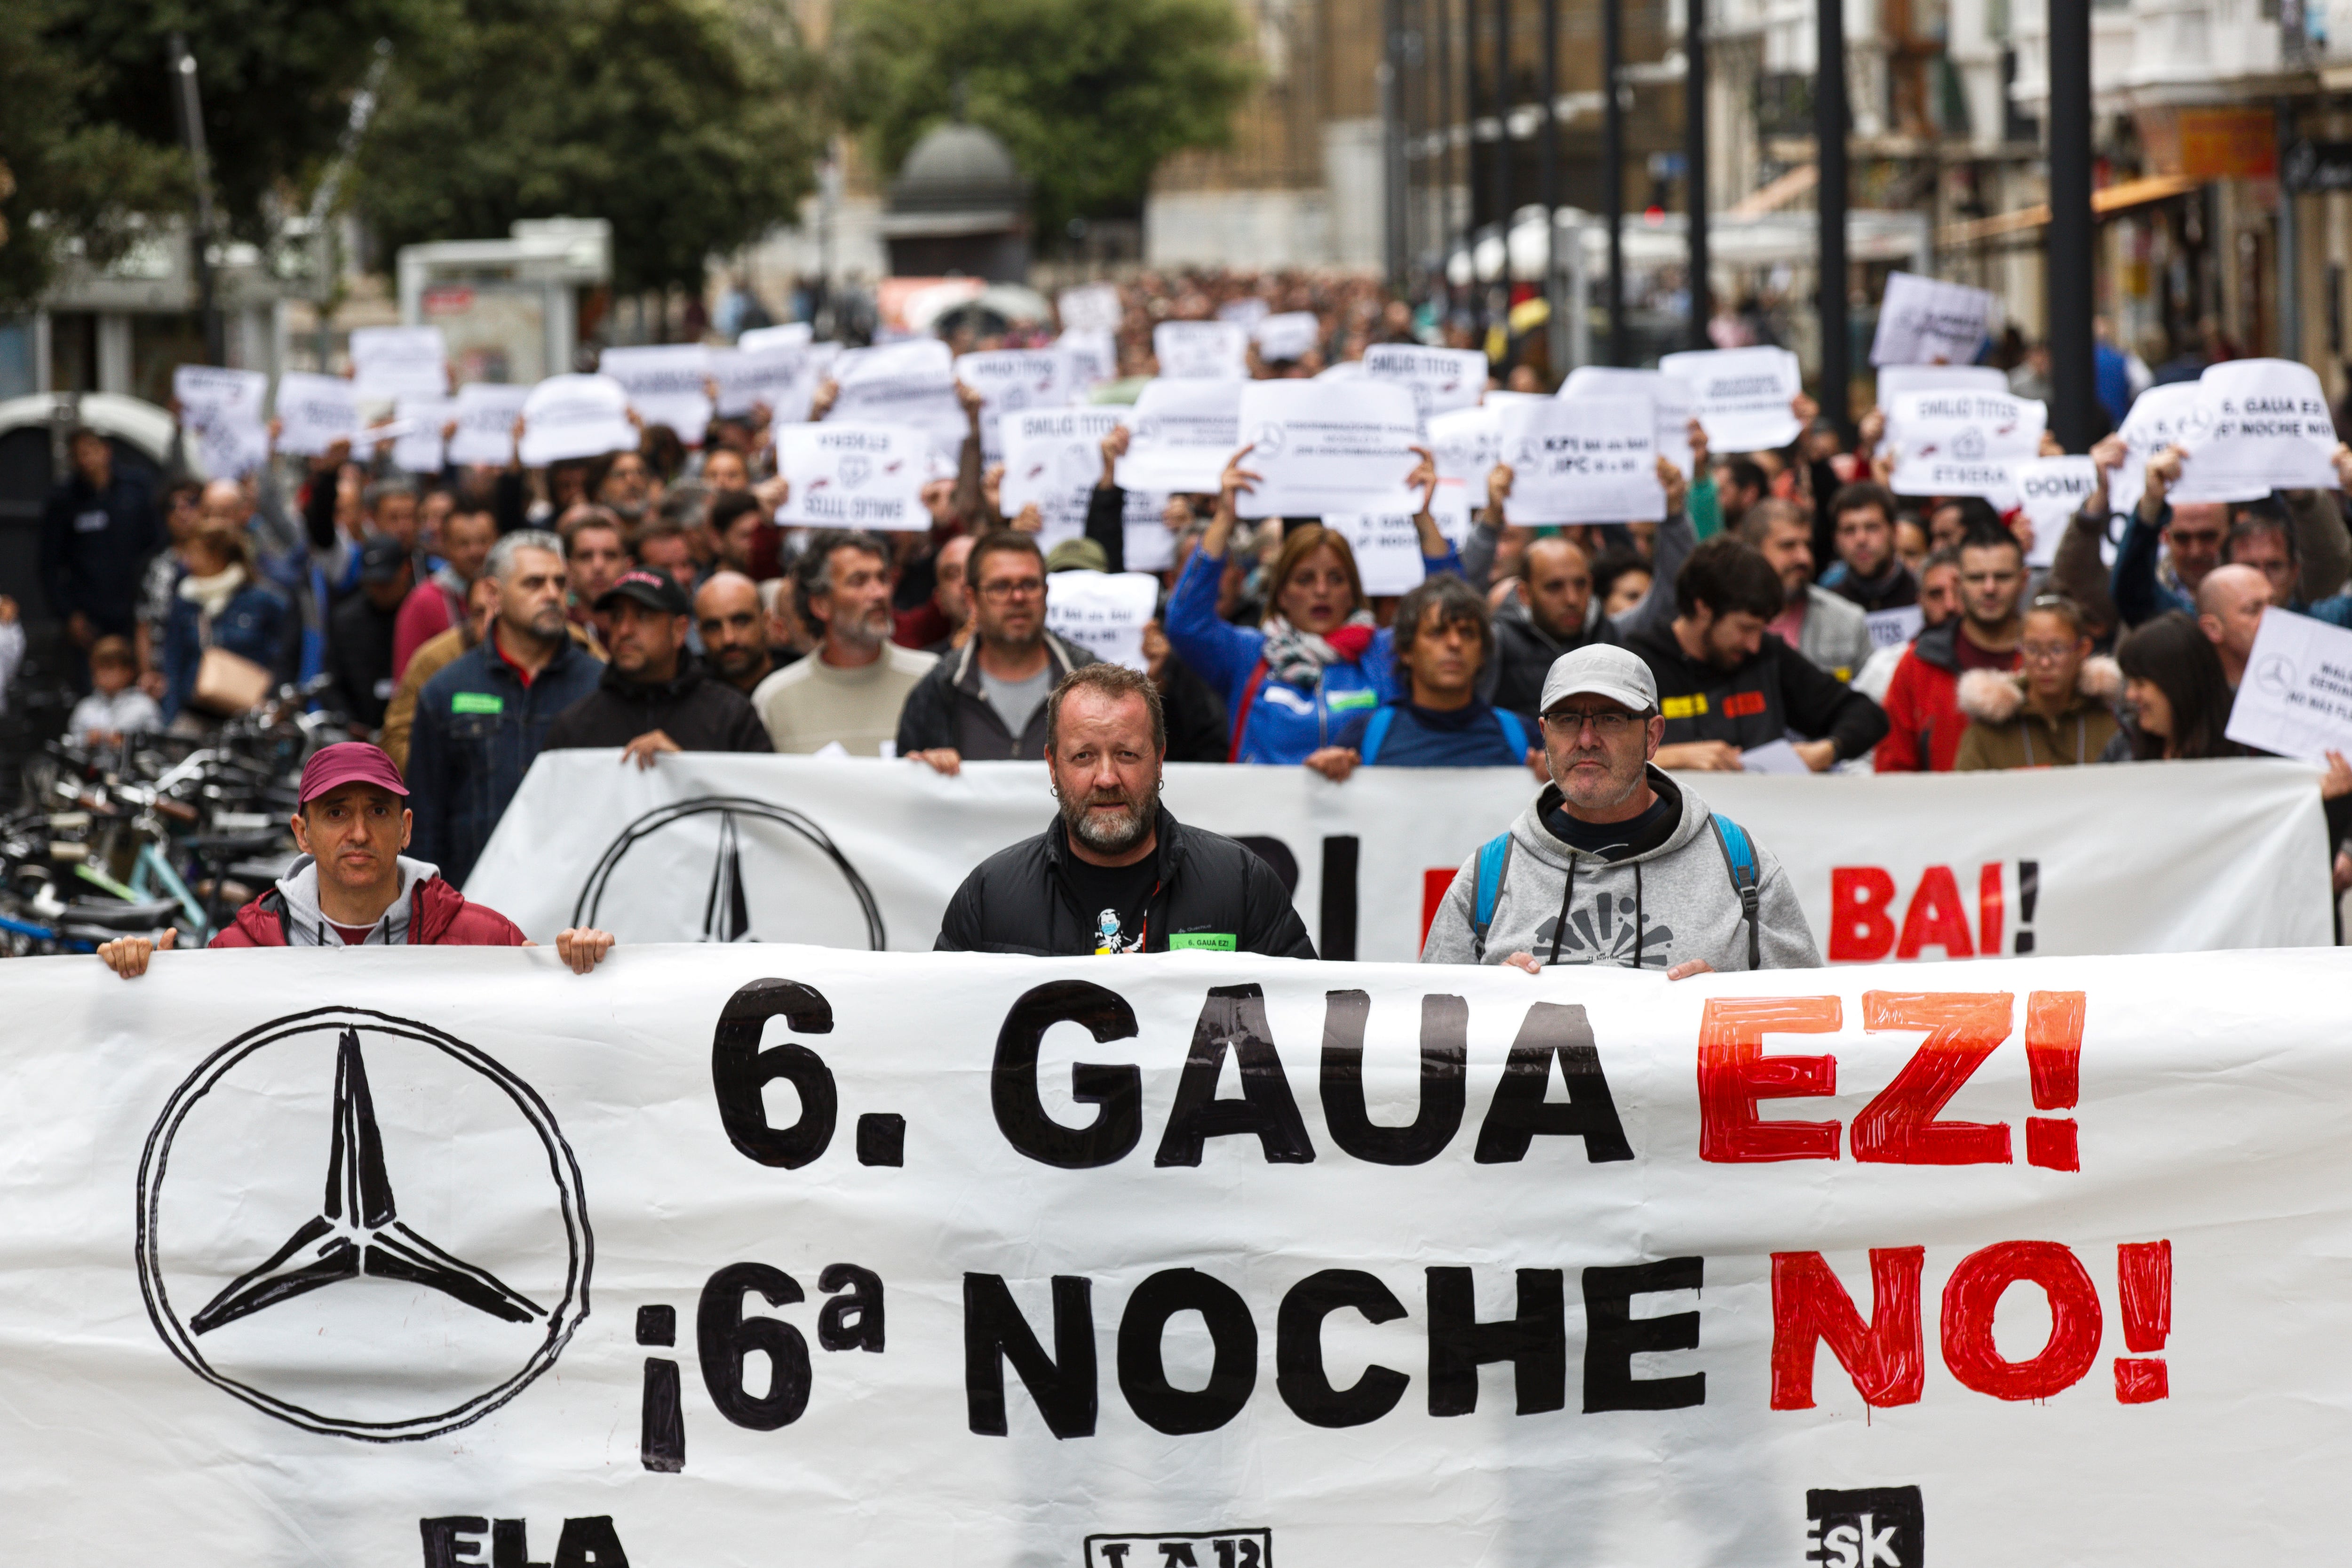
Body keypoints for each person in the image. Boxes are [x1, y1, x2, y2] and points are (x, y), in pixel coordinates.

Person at [1420, 644, 1820, 972]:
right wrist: (1489, 1005)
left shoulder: (1740, 863)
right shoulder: (1488, 876)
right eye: (1567, 719)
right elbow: (1431, 1038)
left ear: (1652, 736)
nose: (1587, 738)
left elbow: (1809, 1024)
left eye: (1611, 718)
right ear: (1544, 734)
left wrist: (1727, 1008)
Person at [95, 742, 615, 973]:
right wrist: (145, 981)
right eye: (337, 813)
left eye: (380, 812)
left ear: (405, 828)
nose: (360, 832)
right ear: (303, 833)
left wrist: (577, 965)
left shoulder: (486, 939)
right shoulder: (237, 952)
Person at [935, 663, 1314, 957]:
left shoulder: (1241, 886)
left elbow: (1305, 1025)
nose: (1106, 778)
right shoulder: (989, 898)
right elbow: (942, 1042)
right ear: (1053, 765)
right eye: (1083, 756)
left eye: (1127, 754)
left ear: (1160, 758)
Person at [1165, 445, 1459, 764]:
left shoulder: (1386, 654)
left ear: (1353, 591)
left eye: (1336, 579)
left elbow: (1454, 610)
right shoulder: (1247, 655)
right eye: (1305, 580)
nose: (1321, 591)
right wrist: (1224, 517)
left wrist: (1423, 518)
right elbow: (1185, 623)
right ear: (1281, 594)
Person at [407, 531, 604, 887]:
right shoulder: (447, 690)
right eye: (534, 583)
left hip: (577, 906)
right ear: (494, 594)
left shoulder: (601, 687)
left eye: (560, 583)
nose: (552, 595)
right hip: (473, 906)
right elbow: (425, 819)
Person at [1621, 536, 1887, 771]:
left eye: (1761, 630)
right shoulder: (1638, 664)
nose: (1753, 645)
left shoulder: (1767, 657)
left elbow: (1866, 714)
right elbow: (1601, 755)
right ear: (1703, 607)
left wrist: (1827, 751)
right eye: (1745, 628)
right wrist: (1673, 758)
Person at [901, 531, 1097, 772]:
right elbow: (907, 798)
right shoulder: (938, 691)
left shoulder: (1093, 683)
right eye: (1000, 587)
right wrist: (923, 771)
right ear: (971, 600)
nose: (1018, 597)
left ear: (1046, 593)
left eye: (1029, 584)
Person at [1306, 574, 1537, 777]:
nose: (1455, 643)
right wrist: (1326, 772)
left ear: (1483, 652)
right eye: (1437, 633)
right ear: (1407, 650)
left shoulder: (1525, 738)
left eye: (1467, 633)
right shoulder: (1364, 737)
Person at [541, 570, 772, 765]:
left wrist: (683, 769)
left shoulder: (730, 715)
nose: (625, 631)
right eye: (618, 617)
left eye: (643, 616)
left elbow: (762, 802)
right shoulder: (577, 724)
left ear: (679, 631)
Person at [754, 529, 939, 754]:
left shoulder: (931, 678)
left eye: (883, 578)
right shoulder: (775, 699)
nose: (880, 593)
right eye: (859, 582)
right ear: (821, 605)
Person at [1875, 528, 2027, 772]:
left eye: (2003, 577)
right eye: (1977, 578)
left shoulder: (2047, 661)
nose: (1989, 588)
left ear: (2024, 580)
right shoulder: (1918, 664)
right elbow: (1893, 769)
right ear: (1958, 584)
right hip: (1940, 809)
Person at [1953, 595, 2122, 770]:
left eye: (2057, 650)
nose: (2045, 663)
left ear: (2082, 650)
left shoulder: (2107, 723)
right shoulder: (1989, 730)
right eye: (2033, 650)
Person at [41, 427, 159, 664]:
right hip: (90, 613)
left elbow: (155, 545)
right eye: (79, 455)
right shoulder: (64, 499)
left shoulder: (137, 489)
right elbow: (49, 564)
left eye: (91, 452)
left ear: (106, 451)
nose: (86, 461)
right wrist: (68, 614)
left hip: (134, 609)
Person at [161, 524, 291, 724]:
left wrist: (274, 699)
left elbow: (285, 654)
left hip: (250, 715)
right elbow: (174, 660)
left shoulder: (264, 600)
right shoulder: (186, 600)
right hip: (195, 711)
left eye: (195, 553)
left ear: (218, 557)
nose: (188, 562)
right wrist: (170, 716)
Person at [1738, 499, 1873, 682]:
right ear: (1752, 551)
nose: (1804, 558)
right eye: (1788, 546)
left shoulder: (1848, 621)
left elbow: (1866, 702)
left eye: (1808, 546)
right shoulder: (1725, 625)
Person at [1488, 533, 1621, 714]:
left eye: (1581, 584)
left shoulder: (1611, 633)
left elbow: (1664, 599)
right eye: (1555, 587)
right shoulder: (1496, 642)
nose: (1572, 599)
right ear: (1524, 594)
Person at [383, 576, 494, 772]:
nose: (489, 625)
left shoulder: (563, 647)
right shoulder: (436, 660)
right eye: (478, 613)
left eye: (500, 613)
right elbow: (395, 743)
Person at [2109, 611, 2241, 761]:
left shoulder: (2247, 751)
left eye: (2140, 684)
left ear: (2179, 685)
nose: (2130, 695)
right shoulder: (2124, 746)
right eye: (2130, 683)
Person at [392, 496, 498, 680]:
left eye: (483, 542)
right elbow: (407, 678)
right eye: (464, 544)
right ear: (446, 546)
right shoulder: (424, 600)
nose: (475, 551)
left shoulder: (512, 593)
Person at [325, 538, 413, 737]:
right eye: (373, 583)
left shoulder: (421, 614)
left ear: (405, 570)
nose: (379, 590)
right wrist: (347, 722)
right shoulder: (346, 620)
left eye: (386, 582)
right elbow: (332, 681)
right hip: (359, 732)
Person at [1818, 482, 1916, 612]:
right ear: (1836, 540)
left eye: (1872, 528)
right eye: (1849, 530)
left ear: (1894, 532)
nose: (1861, 539)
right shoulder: (1826, 607)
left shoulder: (1923, 595)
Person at [68, 636, 163, 744]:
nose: (104, 674)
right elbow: (69, 744)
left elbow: (157, 744)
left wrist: (128, 743)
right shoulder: (84, 708)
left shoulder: (144, 706)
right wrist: (86, 740)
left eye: (110, 667)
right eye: (99, 668)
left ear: (128, 671)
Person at [694, 570, 775, 694]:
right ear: (700, 633)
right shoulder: (689, 695)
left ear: (766, 621)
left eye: (741, 622)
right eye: (713, 627)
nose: (729, 639)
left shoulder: (797, 682)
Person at [2195, 562, 2271, 688]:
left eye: (2274, 605)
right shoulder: (2193, 700)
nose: (2271, 617)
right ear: (2212, 629)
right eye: (2253, 610)